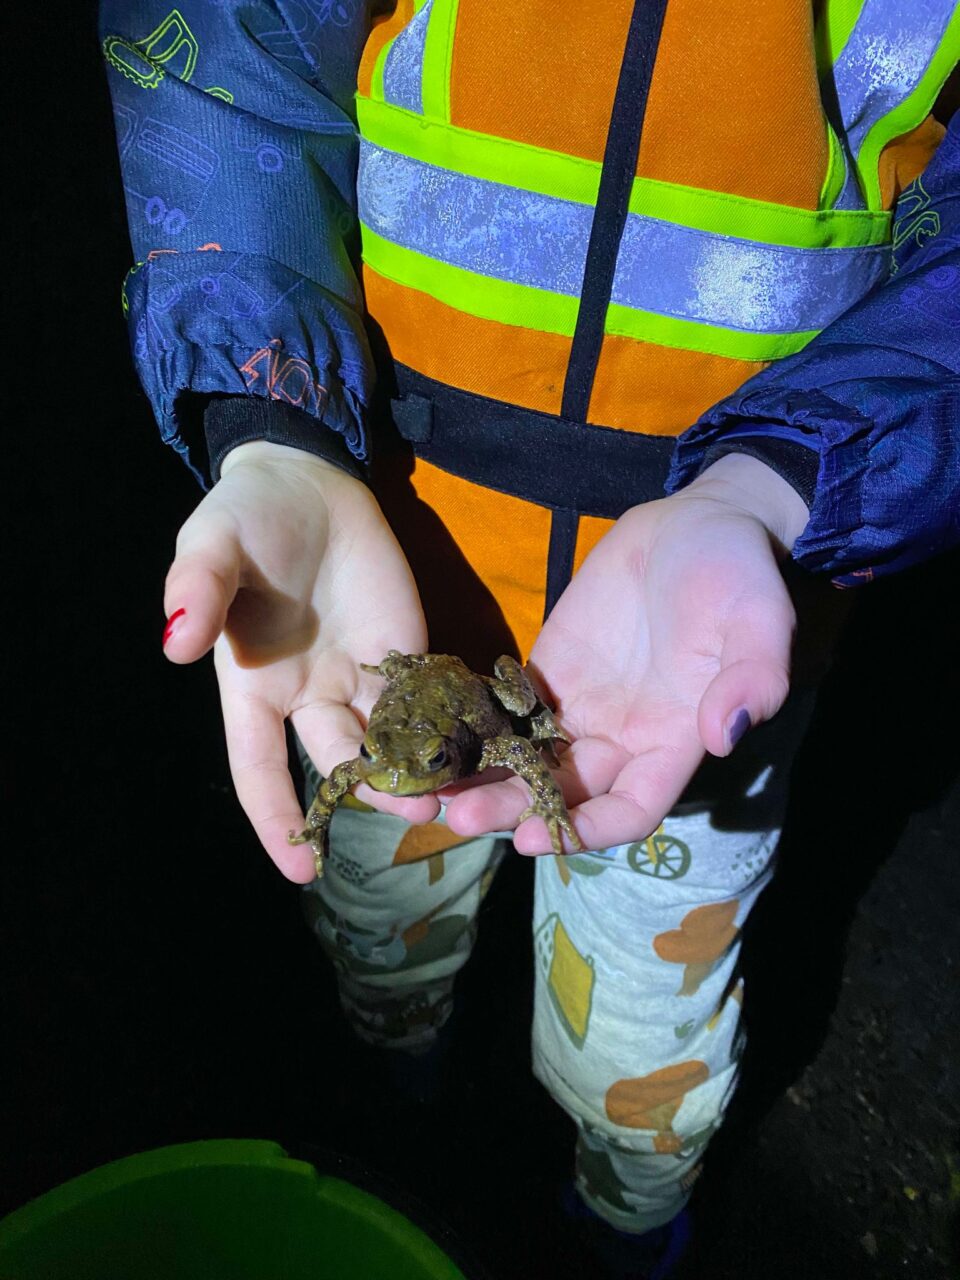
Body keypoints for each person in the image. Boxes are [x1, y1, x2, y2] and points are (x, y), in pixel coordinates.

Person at [102, 2, 959, 1275]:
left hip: (695, 653)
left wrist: (775, 480)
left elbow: (504, 721)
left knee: (643, 1017)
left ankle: (625, 1203)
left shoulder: (476, 733)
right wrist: (270, 416)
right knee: (382, 914)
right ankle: (397, 1067)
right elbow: (227, 68)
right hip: (397, 596)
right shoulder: (398, 743)